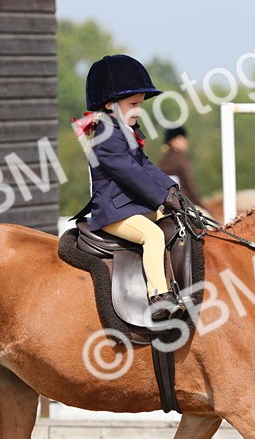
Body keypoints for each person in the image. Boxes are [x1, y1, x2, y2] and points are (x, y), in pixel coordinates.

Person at [74, 54, 183, 321]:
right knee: (153, 236)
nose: (139, 109)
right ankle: (159, 297)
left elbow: (145, 165)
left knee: (177, 222)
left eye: (140, 105)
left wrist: (171, 190)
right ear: (110, 104)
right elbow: (130, 172)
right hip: (113, 213)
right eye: (133, 104)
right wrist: (160, 197)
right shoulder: (104, 134)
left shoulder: (122, 130)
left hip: (129, 208)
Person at [157, 125, 200, 201]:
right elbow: (189, 185)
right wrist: (201, 205)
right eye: (182, 138)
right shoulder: (181, 158)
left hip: (165, 202)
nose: (186, 141)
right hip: (183, 202)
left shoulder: (162, 160)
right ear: (174, 140)